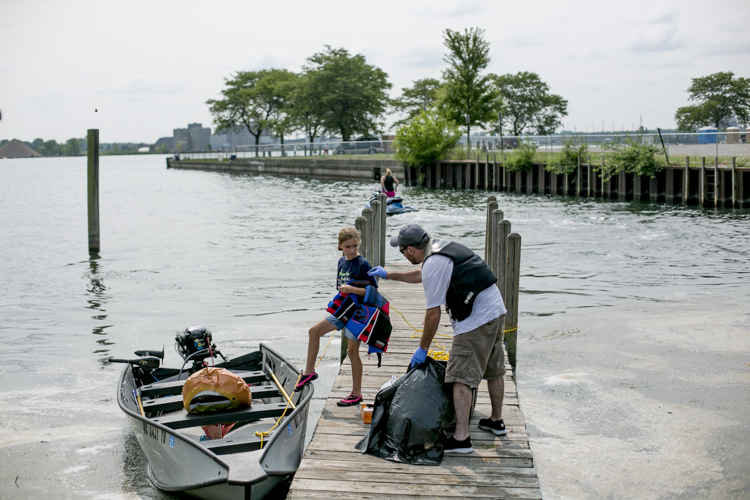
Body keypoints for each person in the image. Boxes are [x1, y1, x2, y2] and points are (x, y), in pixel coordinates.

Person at [368, 224, 507, 454]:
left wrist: (422, 349)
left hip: (476, 320)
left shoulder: (433, 263)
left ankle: (461, 439)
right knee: (495, 369)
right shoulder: (439, 248)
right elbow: (423, 275)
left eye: (401, 251)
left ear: (411, 249)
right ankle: (496, 421)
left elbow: (433, 314)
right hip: (494, 309)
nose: (402, 254)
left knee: (459, 376)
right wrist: (388, 274)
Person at [295, 227, 377, 407]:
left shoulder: (363, 264)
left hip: (359, 313)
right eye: (348, 247)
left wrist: (352, 290)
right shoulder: (341, 262)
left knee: (352, 352)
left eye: (355, 246)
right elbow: (340, 287)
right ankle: (309, 371)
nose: (352, 250)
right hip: (342, 310)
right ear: (340, 246)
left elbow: (373, 292)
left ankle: (356, 394)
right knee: (313, 332)